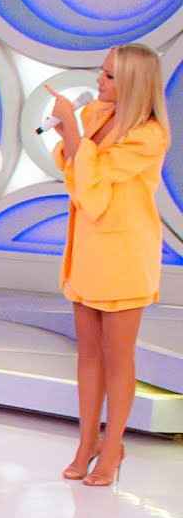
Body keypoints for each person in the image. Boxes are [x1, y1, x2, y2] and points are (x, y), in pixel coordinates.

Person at [50, 43, 170, 488]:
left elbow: (96, 192)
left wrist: (73, 132)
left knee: (118, 355)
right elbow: (74, 172)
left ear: (134, 83)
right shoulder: (96, 116)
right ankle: (87, 442)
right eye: (102, 72)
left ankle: (113, 445)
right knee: (88, 353)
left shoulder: (149, 136)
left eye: (110, 76)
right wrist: (70, 131)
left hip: (124, 254)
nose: (99, 81)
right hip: (87, 249)